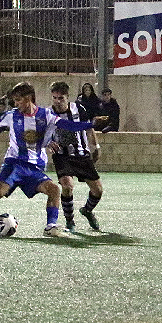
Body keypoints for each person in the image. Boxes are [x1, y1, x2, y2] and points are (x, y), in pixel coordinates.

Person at [0, 81, 91, 242]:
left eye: (18, 100)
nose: (16, 104)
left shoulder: (45, 115)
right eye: (14, 101)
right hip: (14, 164)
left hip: (33, 168)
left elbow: (68, 125)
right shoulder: (12, 115)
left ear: (28, 98)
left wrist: (92, 124)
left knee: (54, 190)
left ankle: (50, 227)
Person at [49, 81, 104, 232]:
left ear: (67, 97)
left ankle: (87, 210)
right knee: (67, 186)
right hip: (62, 155)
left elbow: (89, 129)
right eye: (54, 98)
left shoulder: (78, 108)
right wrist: (48, 142)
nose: (57, 101)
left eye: (61, 98)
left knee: (98, 190)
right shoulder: (48, 113)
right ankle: (70, 220)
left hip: (81, 154)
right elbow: (42, 132)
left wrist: (96, 147)